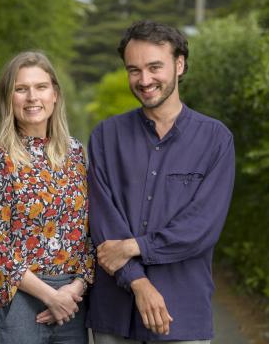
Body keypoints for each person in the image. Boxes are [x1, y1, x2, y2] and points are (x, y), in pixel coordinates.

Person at [86, 20, 235, 344]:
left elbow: (201, 227)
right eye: (134, 70)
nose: (144, 80)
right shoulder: (105, 137)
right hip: (114, 315)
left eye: (155, 67)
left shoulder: (215, 140)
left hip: (181, 313)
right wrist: (138, 282)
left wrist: (134, 246)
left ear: (179, 65)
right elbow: (103, 223)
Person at [0, 51, 94, 344]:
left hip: (70, 304)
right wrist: (50, 296)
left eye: (41, 87)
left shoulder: (75, 153)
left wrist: (76, 287)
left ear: (55, 94)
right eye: (21, 88)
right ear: (8, 98)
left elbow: (90, 232)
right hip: (16, 302)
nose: (32, 97)